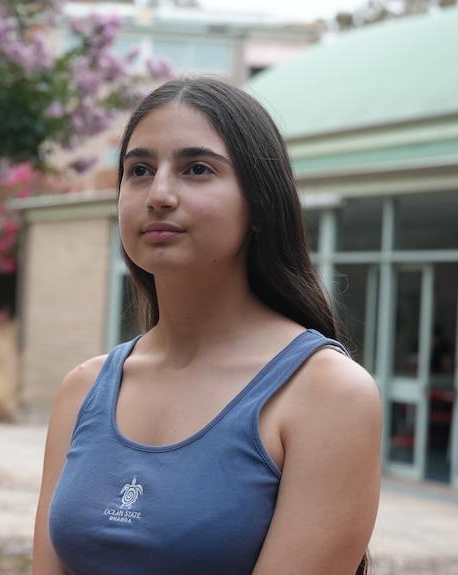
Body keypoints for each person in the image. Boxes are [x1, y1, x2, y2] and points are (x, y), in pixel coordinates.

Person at [32, 75, 383, 575]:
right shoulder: (83, 389)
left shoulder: (327, 395)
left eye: (196, 169)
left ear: (260, 205)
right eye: (139, 170)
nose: (159, 193)